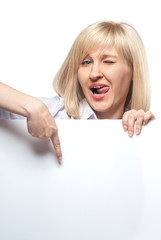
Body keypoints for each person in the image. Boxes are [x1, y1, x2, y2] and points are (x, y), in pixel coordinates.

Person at [0, 21, 154, 163]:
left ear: (134, 71)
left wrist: (148, 131)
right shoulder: (52, 114)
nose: (94, 73)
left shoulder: (142, 128)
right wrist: (31, 107)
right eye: (86, 62)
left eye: (108, 61)